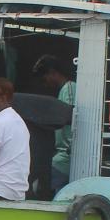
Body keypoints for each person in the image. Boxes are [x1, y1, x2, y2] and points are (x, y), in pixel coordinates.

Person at [33, 55, 76, 187]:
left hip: (66, 156)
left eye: (44, 78)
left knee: (38, 186)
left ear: (53, 73)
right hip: (61, 154)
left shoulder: (69, 88)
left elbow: (70, 118)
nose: (44, 83)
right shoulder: (63, 90)